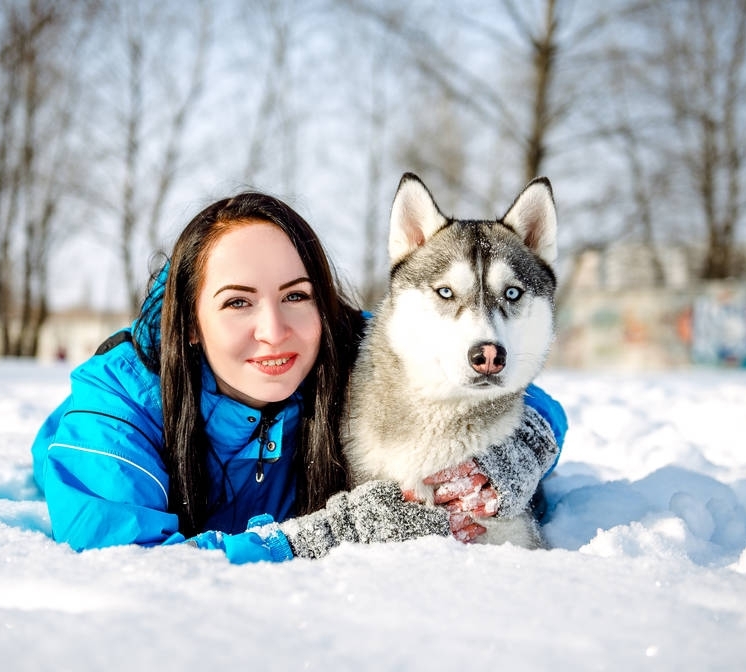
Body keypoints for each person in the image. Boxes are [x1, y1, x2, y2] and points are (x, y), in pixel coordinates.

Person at [31, 192, 567, 563]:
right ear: (190, 320)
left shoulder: (343, 347)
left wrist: (519, 449)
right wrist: (331, 536)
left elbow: (524, 391)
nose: (274, 331)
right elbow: (129, 563)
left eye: (295, 296)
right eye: (238, 302)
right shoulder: (121, 400)